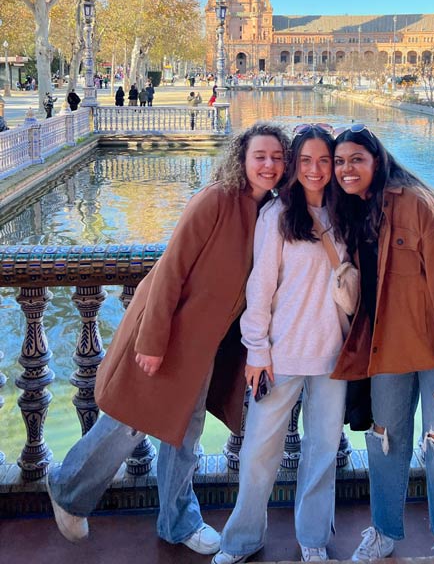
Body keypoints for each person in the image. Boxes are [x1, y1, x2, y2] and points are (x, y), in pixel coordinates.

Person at [47, 122, 289, 554]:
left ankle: (177, 521)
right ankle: (68, 489)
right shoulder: (215, 200)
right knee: (129, 421)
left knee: (184, 433)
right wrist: (152, 341)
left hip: (205, 348)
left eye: (277, 157)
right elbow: (170, 270)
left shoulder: (269, 212)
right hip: (171, 337)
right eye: (260, 156)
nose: (269, 165)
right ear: (243, 159)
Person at [330, 124, 434, 560]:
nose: (347, 169)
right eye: (339, 161)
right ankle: (383, 531)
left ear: (377, 160)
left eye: (356, 160)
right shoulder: (350, 210)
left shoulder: (417, 205)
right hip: (388, 350)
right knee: (384, 442)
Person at [213, 124, 349, 564]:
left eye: (323, 161)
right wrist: (257, 348)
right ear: (295, 165)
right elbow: (260, 286)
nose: (315, 169)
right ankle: (242, 538)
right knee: (258, 453)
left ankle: (312, 538)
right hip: (281, 355)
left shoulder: (344, 214)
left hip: (332, 357)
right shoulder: (276, 216)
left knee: (323, 452)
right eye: (306, 160)